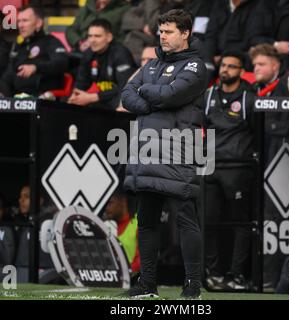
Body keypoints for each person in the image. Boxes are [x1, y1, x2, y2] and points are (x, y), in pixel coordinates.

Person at [121, 9, 208, 299]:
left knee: (185, 219)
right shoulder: (152, 64)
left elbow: (171, 95)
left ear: (185, 33)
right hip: (146, 149)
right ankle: (147, 284)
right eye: (161, 31)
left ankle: (193, 285)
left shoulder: (196, 66)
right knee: (146, 220)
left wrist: (147, 93)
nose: (162, 36)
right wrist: (150, 97)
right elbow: (127, 95)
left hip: (179, 148)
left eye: (169, 31)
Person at [203, 51, 256, 291]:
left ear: (241, 71)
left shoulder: (248, 98)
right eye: (223, 65)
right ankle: (213, 273)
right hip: (210, 167)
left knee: (240, 224)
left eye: (232, 67)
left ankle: (237, 275)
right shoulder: (208, 95)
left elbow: (257, 131)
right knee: (209, 222)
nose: (225, 70)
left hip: (237, 169)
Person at [68, 18, 137, 109]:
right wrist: (75, 96)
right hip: (101, 98)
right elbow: (81, 82)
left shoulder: (121, 54)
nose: (92, 40)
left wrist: (93, 97)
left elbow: (125, 87)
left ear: (109, 37)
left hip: (119, 99)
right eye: (90, 36)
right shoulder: (89, 53)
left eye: (97, 36)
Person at [2, 5, 68, 97]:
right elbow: (9, 74)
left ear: (39, 23)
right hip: (17, 97)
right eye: (19, 21)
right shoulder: (19, 45)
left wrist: (36, 67)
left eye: (25, 21)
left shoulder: (51, 41)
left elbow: (62, 63)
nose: (20, 25)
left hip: (43, 100)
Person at [66, 0, 130, 52]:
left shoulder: (124, 9)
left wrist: (98, 43)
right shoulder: (88, 6)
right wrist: (79, 42)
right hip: (81, 51)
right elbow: (71, 29)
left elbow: (125, 37)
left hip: (107, 54)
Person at [104, 192, 140, 275]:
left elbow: (144, 259)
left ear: (123, 202)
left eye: (110, 203)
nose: (107, 208)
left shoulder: (139, 223)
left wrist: (126, 273)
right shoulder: (106, 226)